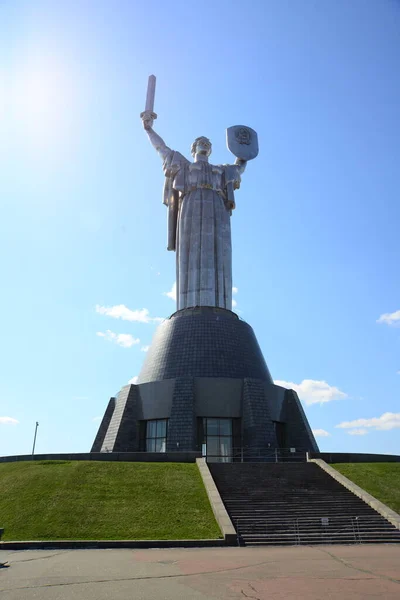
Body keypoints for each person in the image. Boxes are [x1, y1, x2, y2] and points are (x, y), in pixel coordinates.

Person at [142, 116, 247, 311]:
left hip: (217, 207)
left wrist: (243, 153)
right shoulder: (183, 166)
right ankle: (189, 306)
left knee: (218, 251)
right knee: (190, 251)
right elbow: (161, 149)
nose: (204, 144)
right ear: (193, 149)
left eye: (207, 143)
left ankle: (218, 305)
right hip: (190, 206)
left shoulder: (221, 171)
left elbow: (239, 168)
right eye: (200, 142)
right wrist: (149, 130)